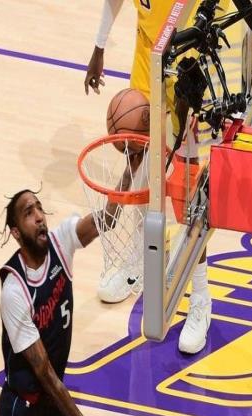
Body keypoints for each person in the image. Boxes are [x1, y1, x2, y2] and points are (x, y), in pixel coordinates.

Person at [84, 0, 230, 354]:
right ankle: (139, 259)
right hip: (150, 50)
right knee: (139, 150)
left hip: (190, 51)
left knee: (187, 185)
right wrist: (99, 47)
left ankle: (201, 297)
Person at [0, 158, 142, 416]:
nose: (39, 216)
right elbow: (44, 372)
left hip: (54, 403)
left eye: (39, 208)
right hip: (24, 413)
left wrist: (129, 172)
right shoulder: (15, 291)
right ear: (16, 232)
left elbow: (107, 220)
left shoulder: (61, 242)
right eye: (28, 212)